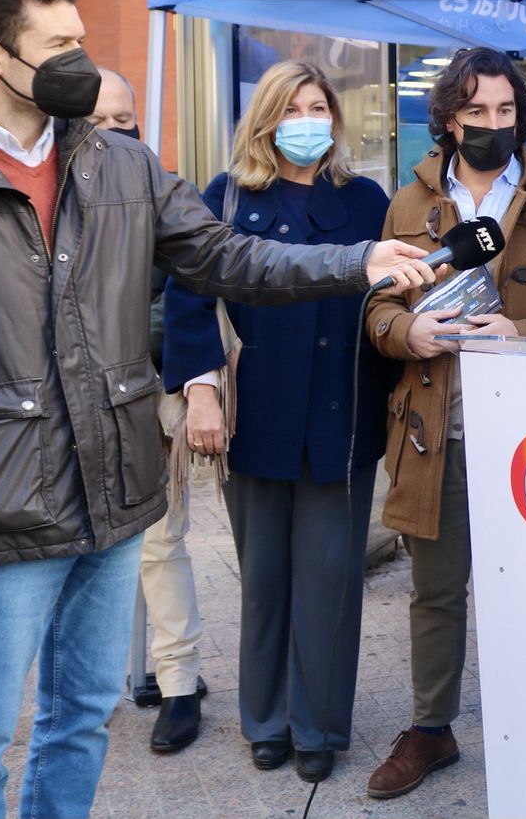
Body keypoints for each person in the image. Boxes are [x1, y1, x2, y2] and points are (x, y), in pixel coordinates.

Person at [0, 0, 435, 819]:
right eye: (61, 44)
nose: (82, 58)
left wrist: (355, 260)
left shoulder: (119, 162)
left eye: (81, 37)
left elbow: (229, 258)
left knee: (81, 717)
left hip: (115, 495)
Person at [364, 47, 526, 800]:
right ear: (448, 118)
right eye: (476, 113)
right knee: (435, 590)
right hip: (437, 431)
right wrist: (412, 334)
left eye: (505, 112)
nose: (491, 126)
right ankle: (430, 729)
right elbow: (375, 310)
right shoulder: (409, 206)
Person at [161, 61, 397, 783]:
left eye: (318, 105)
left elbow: (389, 301)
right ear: (265, 117)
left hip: (343, 410)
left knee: (331, 574)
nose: (308, 119)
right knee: (264, 574)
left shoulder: (365, 200)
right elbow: (188, 297)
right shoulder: (227, 196)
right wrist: (200, 391)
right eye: (293, 106)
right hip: (256, 412)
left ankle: (318, 723)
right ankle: (266, 719)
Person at [83, 66, 211, 756]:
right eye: (97, 120)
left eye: (123, 120)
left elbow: (185, 295)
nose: (111, 133)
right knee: (85, 553)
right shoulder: (48, 196)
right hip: (74, 408)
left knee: (161, 545)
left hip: (147, 393)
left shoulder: (163, 195)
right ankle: (92, 683)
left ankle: (180, 682)